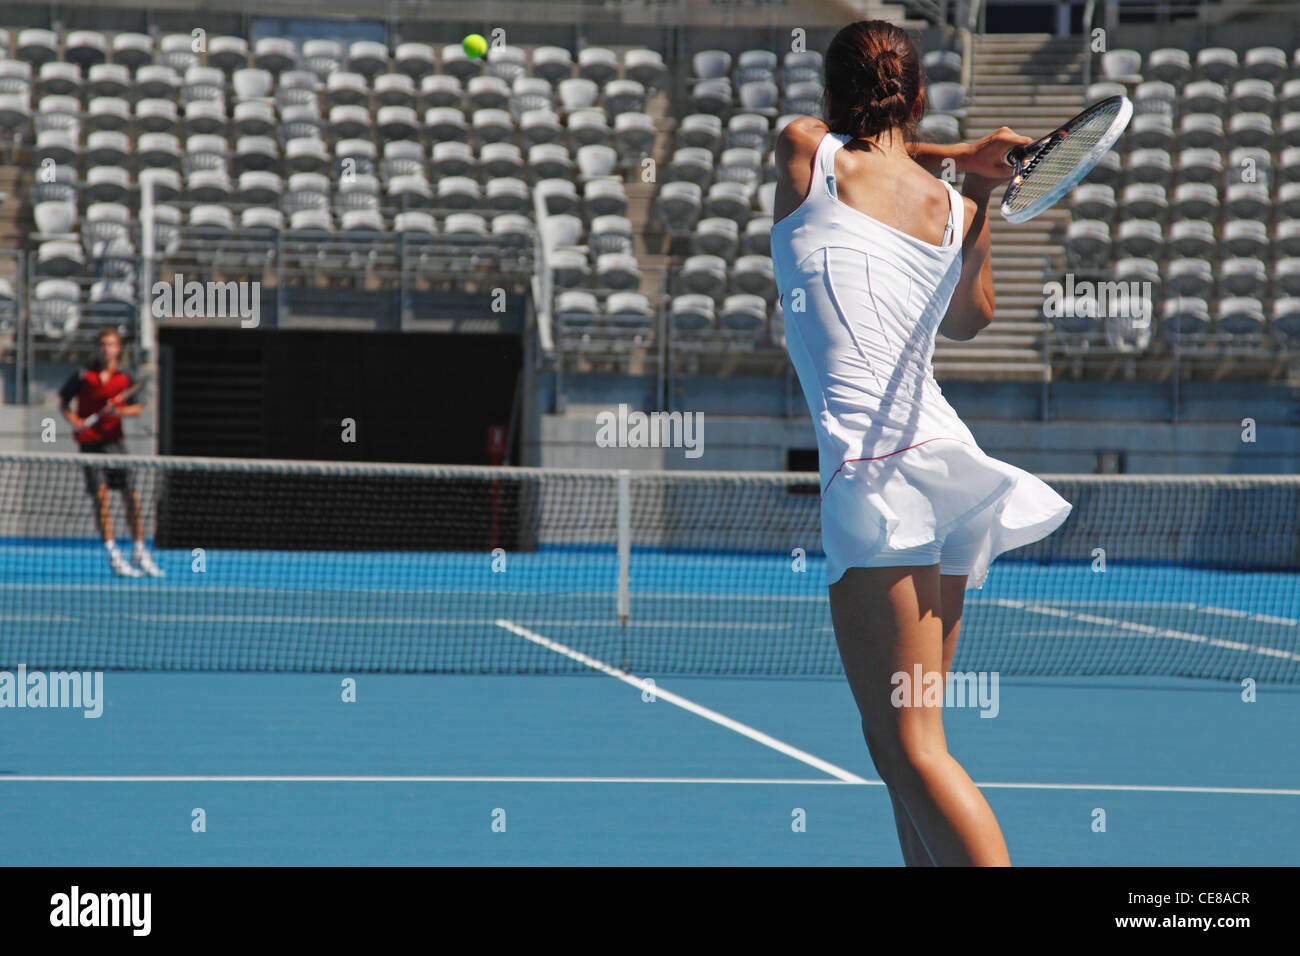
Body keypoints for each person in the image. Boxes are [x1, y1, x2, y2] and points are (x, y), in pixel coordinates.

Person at [770, 20, 1072, 865]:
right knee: (905, 746)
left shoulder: (808, 152)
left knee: (911, 748)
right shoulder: (960, 211)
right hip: (948, 478)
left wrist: (959, 154)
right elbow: (975, 320)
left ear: (830, 96)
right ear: (920, 97)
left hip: (876, 485)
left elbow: (853, 141)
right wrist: (968, 180)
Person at [58, 328, 164, 578]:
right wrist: (76, 420)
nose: (107, 349)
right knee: (101, 499)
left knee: (131, 498)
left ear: (118, 348)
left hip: (115, 444)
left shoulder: (126, 377)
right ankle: (114, 554)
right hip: (90, 445)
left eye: (111, 344)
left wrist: (119, 412)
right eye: (103, 344)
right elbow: (63, 403)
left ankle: (139, 551)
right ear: (97, 348)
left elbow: (138, 407)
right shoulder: (84, 375)